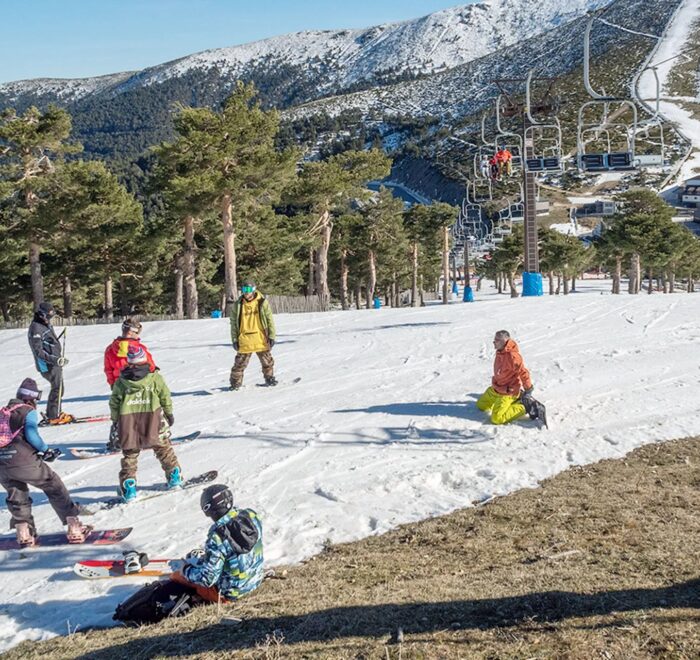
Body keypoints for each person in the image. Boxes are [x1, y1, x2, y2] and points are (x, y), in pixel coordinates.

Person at [0, 378, 89, 546]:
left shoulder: (3, 412)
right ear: (32, 398)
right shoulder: (27, 410)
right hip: (24, 461)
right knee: (53, 485)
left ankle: (24, 532)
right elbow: (32, 435)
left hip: (2, 465)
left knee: (17, 495)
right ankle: (74, 527)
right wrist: (46, 450)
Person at [109, 346, 182, 502]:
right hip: (154, 420)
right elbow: (165, 397)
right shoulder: (155, 378)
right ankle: (174, 475)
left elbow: (114, 403)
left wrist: (115, 420)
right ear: (144, 360)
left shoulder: (121, 382)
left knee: (130, 455)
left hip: (129, 423)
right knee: (163, 448)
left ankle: (129, 487)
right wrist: (169, 413)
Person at [171, 484, 264, 603]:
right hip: (256, 580)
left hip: (232, 593)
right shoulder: (251, 515)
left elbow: (207, 579)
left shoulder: (217, 537)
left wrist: (186, 570)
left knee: (176, 576)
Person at [103, 319, 157, 451]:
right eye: (137, 332)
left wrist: (112, 384)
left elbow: (108, 369)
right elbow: (150, 366)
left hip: (119, 386)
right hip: (139, 385)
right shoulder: (139, 349)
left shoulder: (111, 349)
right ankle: (147, 437)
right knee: (142, 411)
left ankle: (116, 439)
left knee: (121, 413)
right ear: (132, 333)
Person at [476, 330, 534, 425]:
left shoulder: (512, 356)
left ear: (505, 341)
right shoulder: (500, 351)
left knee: (497, 419)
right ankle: (513, 399)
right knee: (481, 406)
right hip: (497, 388)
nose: (494, 342)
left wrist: (528, 389)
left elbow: (523, 372)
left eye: (497, 340)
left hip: (508, 391)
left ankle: (525, 406)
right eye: (494, 339)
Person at [27, 302, 71, 424]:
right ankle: (53, 416)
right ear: (42, 315)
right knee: (57, 388)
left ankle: (55, 412)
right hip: (46, 365)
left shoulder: (44, 324)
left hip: (54, 363)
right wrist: (55, 359)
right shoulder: (36, 328)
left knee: (59, 388)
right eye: (49, 316)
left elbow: (49, 342)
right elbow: (38, 352)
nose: (50, 319)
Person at [229, 280, 277, 390]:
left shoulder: (262, 302)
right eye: (244, 290)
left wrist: (272, 335)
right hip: (245, 338)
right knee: (240, 363)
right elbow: (233, 324)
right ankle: (235, 383)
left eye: (249, 290)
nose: (246, 292)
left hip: (261, 337)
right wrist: (234, 339)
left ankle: (269, 378)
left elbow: (270, 319)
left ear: (254, 289)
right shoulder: (238, 305)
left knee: (267, 361)